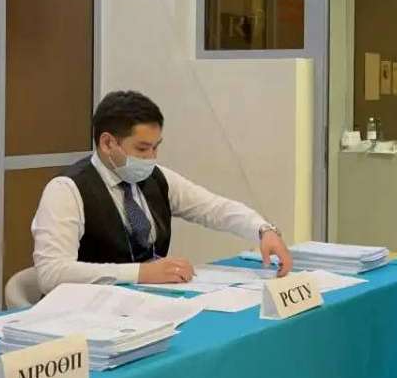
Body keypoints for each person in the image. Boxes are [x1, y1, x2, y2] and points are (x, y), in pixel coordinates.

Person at [31, 90, 292, 294]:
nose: (152, 157)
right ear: (108, 143)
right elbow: (51, 274)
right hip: (85, 317)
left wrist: (262, 229)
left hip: (147, 309)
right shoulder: (66, 190)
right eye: (142, 149)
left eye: (156, 147)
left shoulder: (157, 178)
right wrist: (141, 273)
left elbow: (213, 208)